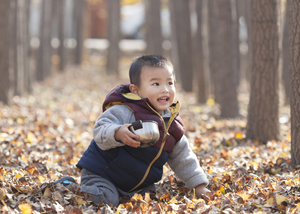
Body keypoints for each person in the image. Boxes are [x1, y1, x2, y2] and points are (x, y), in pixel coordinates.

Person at [74, 55, 210, 206]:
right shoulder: (125, 110)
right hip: (103, 175)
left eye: (170, 83)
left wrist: (199, 186)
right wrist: (117, 133)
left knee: (153, 202)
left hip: (138, 186)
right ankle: (70, 186)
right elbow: (100, 129)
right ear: (136, 90)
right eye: (156, 84)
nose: (165, 89)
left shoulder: (171, 124)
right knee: (105, 201)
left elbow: (183, 157)